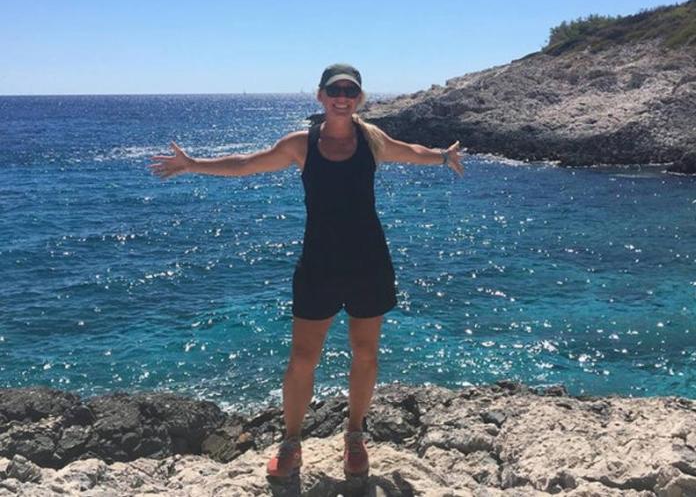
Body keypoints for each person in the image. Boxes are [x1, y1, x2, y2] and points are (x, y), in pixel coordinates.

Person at [150, 64, 464, 480]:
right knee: (302, 359)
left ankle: (355, 437)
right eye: (335, 90)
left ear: (359, 98)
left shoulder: (372, 140)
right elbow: (246, 164)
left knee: (365, 353)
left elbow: (410, 151)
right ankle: (291, 442)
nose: (342, 97)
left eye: (350, 91)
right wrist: (193, 164)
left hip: (369, 262)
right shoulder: (301, 144)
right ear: (320, 96)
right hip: (319, 264)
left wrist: (443, 157)